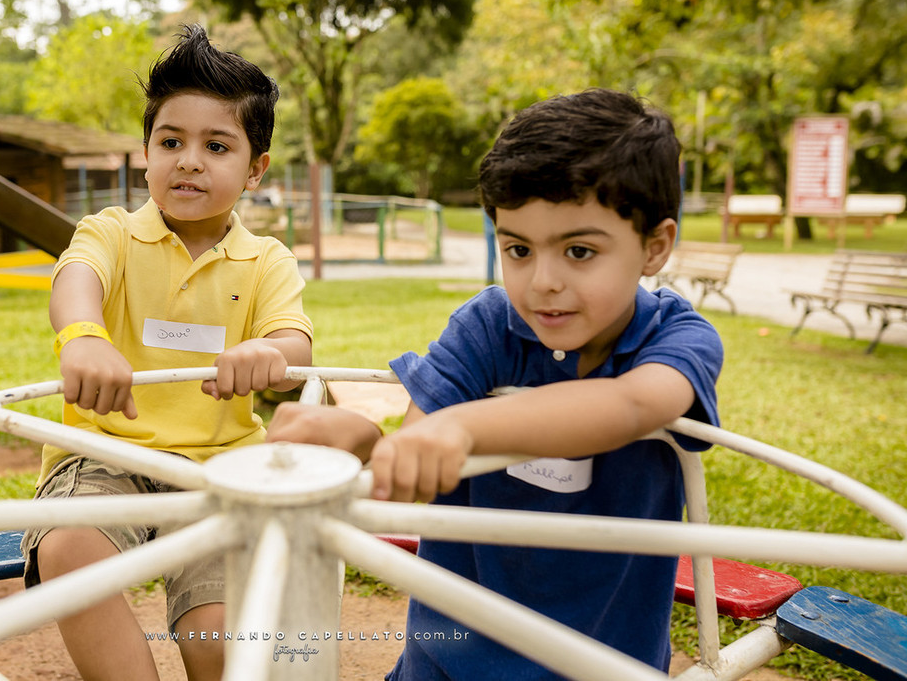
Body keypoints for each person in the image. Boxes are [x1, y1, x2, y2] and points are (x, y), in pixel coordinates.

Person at [268, 88, 724, 680]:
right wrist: (362, 443)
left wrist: (464, 425)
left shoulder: (679, 337)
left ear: (654, 247)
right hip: (447, 660)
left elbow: (634, 402)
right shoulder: (488, 327)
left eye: (579, 250)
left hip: (602, 664)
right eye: (518, 249)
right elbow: (419, 460)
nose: (543, 282)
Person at [22, 24, 313, 681]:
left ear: (255, 170)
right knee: (70, 550)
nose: (188, 160)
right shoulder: (112, 232)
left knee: (218, 632)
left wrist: (270, 353)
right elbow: (75, 280)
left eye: (216, 146)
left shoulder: (266, 259)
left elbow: (294, 338)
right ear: (146, 154)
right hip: (105, 453)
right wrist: (84, 337)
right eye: (171, 141)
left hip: (219, 467)